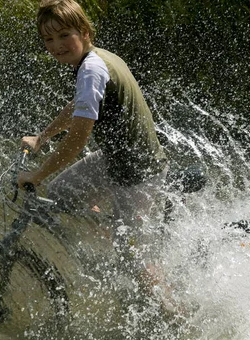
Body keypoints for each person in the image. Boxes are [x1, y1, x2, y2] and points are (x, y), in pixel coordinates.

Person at [17, 0, 169, 302]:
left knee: (136, 265)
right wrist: (42, 137)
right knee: (61, 195)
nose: (56, 45)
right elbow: (78, 106)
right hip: (115, 159)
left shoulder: (92, 69)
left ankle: (179, 320)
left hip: (138, 172)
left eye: (63, 35)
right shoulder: (93, 60)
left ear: (85, 31)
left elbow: (76, 142)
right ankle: (115, 234)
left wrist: (38, 173)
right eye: (48, 39)